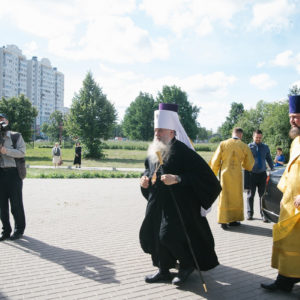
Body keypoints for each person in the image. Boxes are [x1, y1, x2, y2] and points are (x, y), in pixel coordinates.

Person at [139, 103, 221, 286]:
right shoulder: (154, 151)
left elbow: (207, 179)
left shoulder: (184, 152)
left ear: (172, 132)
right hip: (157, 204)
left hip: (179, 207)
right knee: (155, 236)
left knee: (167, 236)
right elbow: (147, 171)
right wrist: (144, 180)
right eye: (155, 131)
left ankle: (186, 265)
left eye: (161, 131)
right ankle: (163, 270)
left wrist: (178, 178)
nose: (157, 134)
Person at [261, 95, 300, 292]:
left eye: (297, 116)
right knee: (288, 245)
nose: (293, 120)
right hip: (290, 205)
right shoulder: (296, 142)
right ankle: (284, 282)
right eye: (291, 116)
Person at [209, 127, 254, 229]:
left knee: (225, 197)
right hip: (237, 175)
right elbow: (249, 164)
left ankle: (223, 221)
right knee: (236, 197)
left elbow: (215, 161)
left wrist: (212, 173)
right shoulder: (244, 146)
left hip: (225, 175)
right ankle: (233, 220)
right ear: (241, 135)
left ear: (232, 133)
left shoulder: (223, 144)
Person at [0, 113, 26, 241]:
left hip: (14, 174)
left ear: (7, 122)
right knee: (2, 205)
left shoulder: (16, 136)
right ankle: (5, 231)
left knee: (16, 204)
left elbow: (22, 152)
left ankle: (19, 230)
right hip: (0, 174)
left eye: (1, 120)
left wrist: (6, 151)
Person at [245, 130, 274, 222]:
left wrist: (272, 168)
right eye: (256, 137)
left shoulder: (265, 147)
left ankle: (264, 215)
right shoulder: (248, 147)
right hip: (251, 174)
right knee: (250, 195)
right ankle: (250, 213)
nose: (258, 139)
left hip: (262, 175)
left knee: (263, 196)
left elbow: (269, 158)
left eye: (260, 137)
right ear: (253, 137)